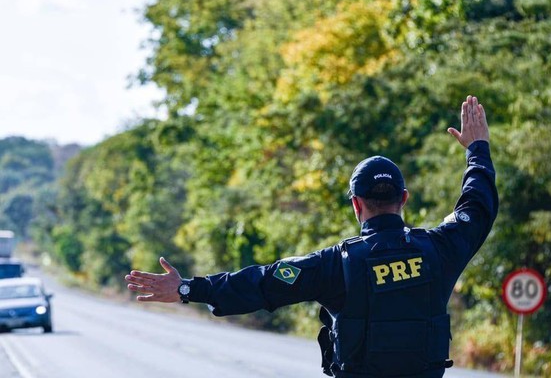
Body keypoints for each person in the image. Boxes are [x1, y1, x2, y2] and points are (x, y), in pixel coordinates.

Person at [125, 95, 498, 378]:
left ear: (356, 205)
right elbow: (477, 208)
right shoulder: (439, 249)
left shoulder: (336, 264)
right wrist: (477, 151)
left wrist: (188, 288)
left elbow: (261, 283)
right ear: (403, 199)